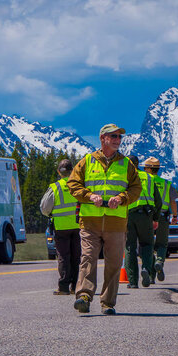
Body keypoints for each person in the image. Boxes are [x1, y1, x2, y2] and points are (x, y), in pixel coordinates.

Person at [67, 123, 142, 315]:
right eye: (114, 136)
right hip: (90, 221)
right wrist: (89, 196)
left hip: (116, 223)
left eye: (119, 137)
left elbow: (136, 189)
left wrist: (121, 198)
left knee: (114, 263)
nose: (118, 140)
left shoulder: (127, 164)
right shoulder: (86, 161)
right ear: (103, 139)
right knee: (88, 258)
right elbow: (73, 184)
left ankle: (108, 303)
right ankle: (83, 296)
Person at [40, 159, 81, 295]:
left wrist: (51, 214)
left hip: (61, 227)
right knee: (76, 256)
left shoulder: (55, 187)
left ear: (59, 172)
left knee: (63, 256)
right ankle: (76, 286)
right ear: (73, 170)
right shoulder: (79, 185)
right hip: (77, 225)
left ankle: (63, 287)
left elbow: (44, 208)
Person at [125, 155, 162, 288]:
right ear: (138, 164)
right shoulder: (149, 177)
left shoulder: (123, 177)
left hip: (128, 215)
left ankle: (133, 282)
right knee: (147, 245)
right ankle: (146, 268)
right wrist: (155, 218)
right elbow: (158, 201)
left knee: (130, 247)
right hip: (146, 215)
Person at [143, 157, 178, 282]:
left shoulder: (144, 182)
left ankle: (150, 274)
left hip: (147, 216)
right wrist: (175, 216)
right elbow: (173, 201)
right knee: (162, 243)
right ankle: (159, 261)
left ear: (148, 169)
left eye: (144, 168)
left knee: (148, 244)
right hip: (163, 216)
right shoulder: (166, 184)